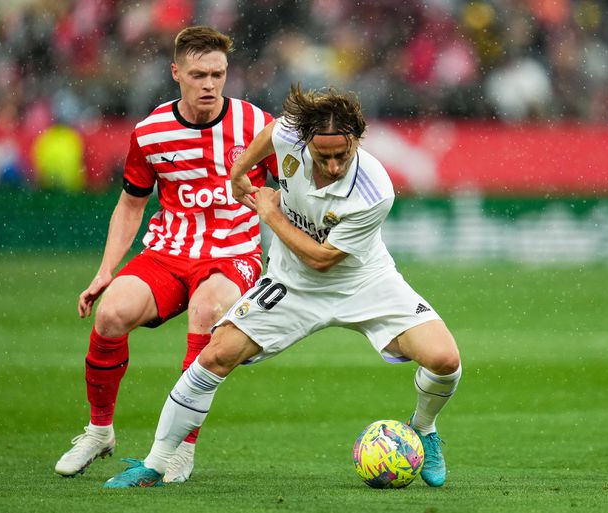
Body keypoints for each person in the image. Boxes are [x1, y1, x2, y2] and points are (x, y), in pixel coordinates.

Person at [102, 84, 462, 489]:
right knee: (216, 355)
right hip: (292, 283)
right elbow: (268, 134)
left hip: (365, 280)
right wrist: (238, 175)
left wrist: (268, 213)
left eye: (341, 156)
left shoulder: (375, 191)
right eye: (322, 156)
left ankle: (424, 429)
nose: (332, 167)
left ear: (357, 140)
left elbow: (322, 258)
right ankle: (154, 464)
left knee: (445, 359)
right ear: (305, 139)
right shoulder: (289, 133)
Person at [54, 26, 276, 482]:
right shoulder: (151, 132)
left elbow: (290, 184)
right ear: (177, 73)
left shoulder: (256, 125)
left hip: (233, 252)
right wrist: (105, 271)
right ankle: (99, 432)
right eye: (198, 74)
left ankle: (179, 449)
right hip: (169, 252)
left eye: (217, 73)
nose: (210, 84)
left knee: (206, 309)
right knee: (111, 314)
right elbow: (131, 204)